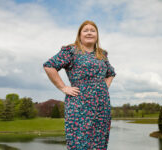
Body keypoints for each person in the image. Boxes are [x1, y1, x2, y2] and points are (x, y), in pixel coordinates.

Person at [43, 20, 116, 150]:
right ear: (79, 34)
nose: (89, 33)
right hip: (79, 103)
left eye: (92, 30)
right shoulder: (71, 51)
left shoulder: (102, 54)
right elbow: (49, 66)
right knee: (79, 142)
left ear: (97, 35)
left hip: (101, 104)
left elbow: (111, 73)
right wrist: (63, 87)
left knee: (100, 142)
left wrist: (104, 87)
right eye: (86, 30)